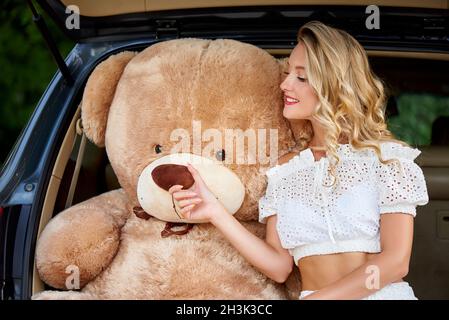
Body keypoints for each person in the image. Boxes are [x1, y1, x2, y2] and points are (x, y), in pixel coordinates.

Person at [168, 21, 429, 300]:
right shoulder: (286, 169)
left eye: (301, 77)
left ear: (336, 87)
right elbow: (280, 267)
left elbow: (395, 262)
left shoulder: (388, 159)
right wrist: (215, 213)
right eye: (288, 72)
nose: (285, 84)